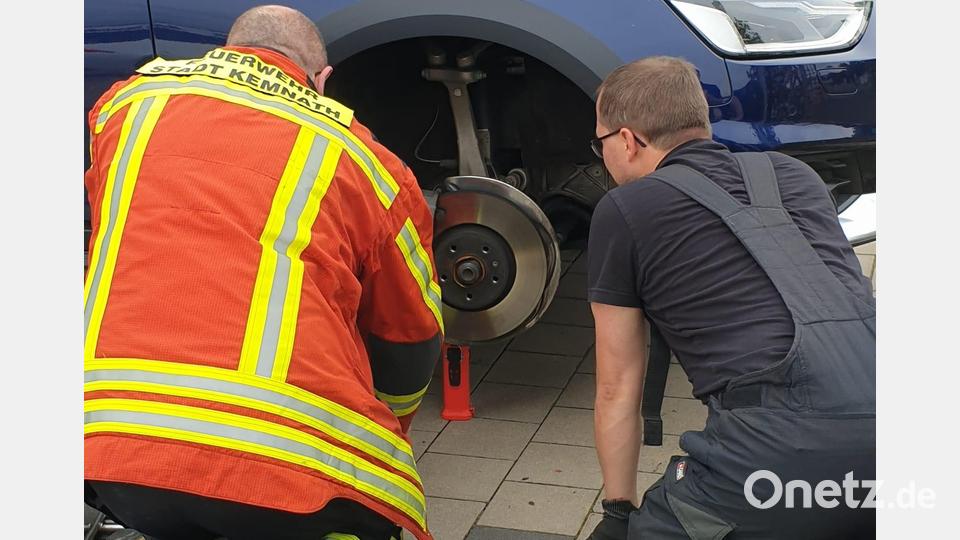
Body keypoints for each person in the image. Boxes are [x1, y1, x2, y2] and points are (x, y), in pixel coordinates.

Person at [83, 6, 442, 540]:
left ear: (224, 51)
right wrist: (386, 425)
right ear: (323, 81)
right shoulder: (370, 164)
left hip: (108, 447)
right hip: (292, 481)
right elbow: (411, 333)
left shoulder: (124, 107)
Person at [585, 57, 875, 539]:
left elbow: (617, 388)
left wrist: (618, 513)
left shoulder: (625, 210)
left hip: (780, 455)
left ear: (627, 140)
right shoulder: (794, 174)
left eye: (600, 142)